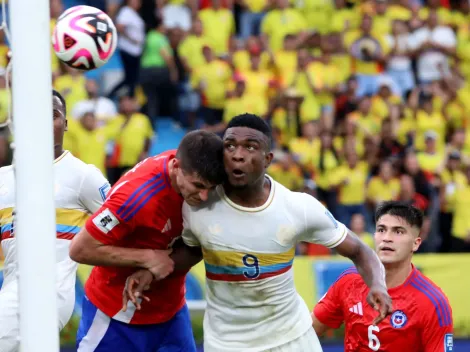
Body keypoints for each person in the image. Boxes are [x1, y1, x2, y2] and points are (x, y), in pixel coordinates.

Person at [123, 114, 392, 352]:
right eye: (230, 146)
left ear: (268, 159)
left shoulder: (298, 208)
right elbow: (194, 249)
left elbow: (359, 250)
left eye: (250, 147)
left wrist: (378, 285)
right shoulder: (198, 206)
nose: (238, 154)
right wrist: (150, 271)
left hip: (292, 338)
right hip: (227, 343)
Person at [69, 130, 226, 351]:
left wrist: (151, 270)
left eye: (211, 188)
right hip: (116, 315)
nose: (204, 197)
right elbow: (79, 249)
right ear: (176, 166)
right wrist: (146, 257)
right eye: (198, 186)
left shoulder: (207, 176)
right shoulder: (134, 197)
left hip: (171, 314)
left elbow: (201, 242)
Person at [0, 90, 110, 352]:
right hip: (13, 285)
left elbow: (123, 220)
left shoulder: (83, 176)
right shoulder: (3, 179)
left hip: (51, 291)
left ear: (66, 124)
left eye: (54, 115)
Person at [312, 201, 453, 352]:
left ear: (416, 243)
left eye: (398, 232)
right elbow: (308, 332)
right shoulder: (349, 281)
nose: (387, 238)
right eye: (381, 230)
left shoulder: (434, 303)